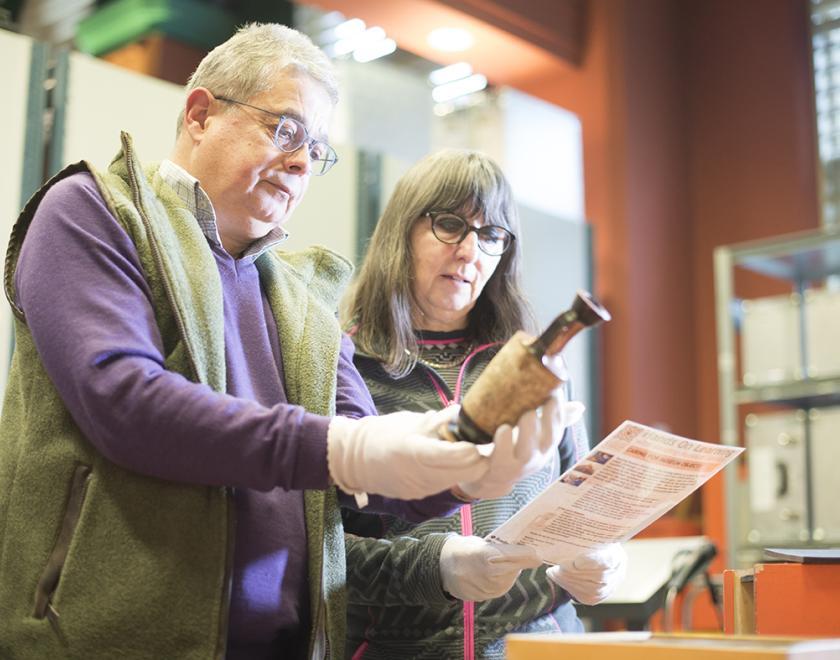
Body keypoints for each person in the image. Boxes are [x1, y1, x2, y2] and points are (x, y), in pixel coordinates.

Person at [0, 25, 575, 660]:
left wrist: (466, 471)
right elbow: (125, 403)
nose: (302, 162)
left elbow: (368, 470)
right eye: (285, 130)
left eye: (316, 148)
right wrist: (349, 449)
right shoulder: (93, 212)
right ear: (200, 115)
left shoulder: (301, 297)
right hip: (104, 641)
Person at [341, 150, 628, 660]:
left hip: (537, 648)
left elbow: (581, 506)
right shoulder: (345, 367)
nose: (470, 252)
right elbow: (315, 551)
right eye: (450, 225)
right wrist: (435, 568)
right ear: (401, 232)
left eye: (491, 234)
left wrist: (601, 558)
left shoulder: (535, 366)